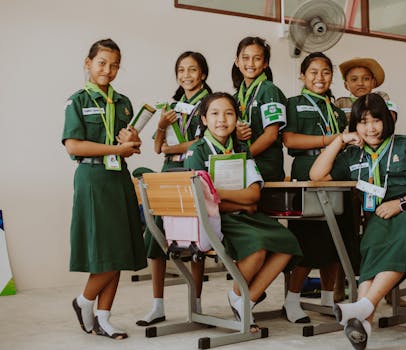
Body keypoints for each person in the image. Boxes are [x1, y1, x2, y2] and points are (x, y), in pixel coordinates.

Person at [310, 93, 406, 349]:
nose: (370, 127)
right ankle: (362, 322)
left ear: (387, 120)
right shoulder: (353, 155)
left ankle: (361, 307)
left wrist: (401, 203)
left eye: (376, 120)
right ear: (355, 125)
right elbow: (317, 175)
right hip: (381, 216)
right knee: (371, 249)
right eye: (362, 122)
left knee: (401, 242)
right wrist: (339, 141)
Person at [184, 92, 302, 330]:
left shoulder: (241, 148)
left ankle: (243, 299)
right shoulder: (196, 151)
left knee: (287, 243)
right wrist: (240, 202)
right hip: (215, 220)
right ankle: (243, 302)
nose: (222, 119)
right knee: (257, 248)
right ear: (204, 119)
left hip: (246, 215)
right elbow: (203, 202)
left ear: (237, 118)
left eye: (229, 113)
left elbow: (254, 195)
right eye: (215, 113)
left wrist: (220, 193)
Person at [62, 38, 147, 340]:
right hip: (93, 178)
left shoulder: (123, 103)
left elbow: (130, 147)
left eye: (114, 65)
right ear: (88, 63)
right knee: (105, 250)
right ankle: (84, 301)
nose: (108, 70)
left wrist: (132, 139)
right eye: (101, 63)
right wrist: (115, 147)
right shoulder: (78, 100)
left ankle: (103, 317)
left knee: (121, 249)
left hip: (118, 177)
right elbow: (73, 145)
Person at [137, 51, 212, 326]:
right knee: (156, 235)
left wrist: (174, 147)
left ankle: (197, 304)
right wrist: (161, 126)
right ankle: (158, 305)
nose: (186, 75)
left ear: (203, 74)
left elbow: (207, 140)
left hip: (193, 170)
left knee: (196, 238)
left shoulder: (210, 103)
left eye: (192, 70)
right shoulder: (172, 105)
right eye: (181, 70)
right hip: (168, 171)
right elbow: (159, 148)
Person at [281, 52, 347, 323]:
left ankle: (328, 299)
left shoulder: (336, 110)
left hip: (336, 175)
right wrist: (332, 139)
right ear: (303, 76)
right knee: (307, 240)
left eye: (326, 72)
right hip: (306, 172)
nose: (320, 78)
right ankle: (292, 300)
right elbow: (290, 140)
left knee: (335, 240)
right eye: (313, 72)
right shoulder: (294, 103)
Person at [334, 57, 403, 306]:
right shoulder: (338, 103)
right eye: (354, 79)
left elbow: (388, 122)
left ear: (374, 81)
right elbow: (343, 132)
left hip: (378, 173)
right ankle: (342, 284)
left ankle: (388, 290)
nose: (360, 83)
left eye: (365, 78)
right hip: (352, 170)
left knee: (383, 229)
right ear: (345, 84)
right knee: (348, 231)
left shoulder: (383, 98)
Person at [232, 36, 287, 181]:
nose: (250, 63)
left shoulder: (269, 90)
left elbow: (271, 135)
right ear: (237, 61)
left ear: (265, 63)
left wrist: (243, 158)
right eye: (245, 58)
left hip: (266, 168)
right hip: (244, 168)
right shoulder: (235, 97)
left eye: (257, 58)